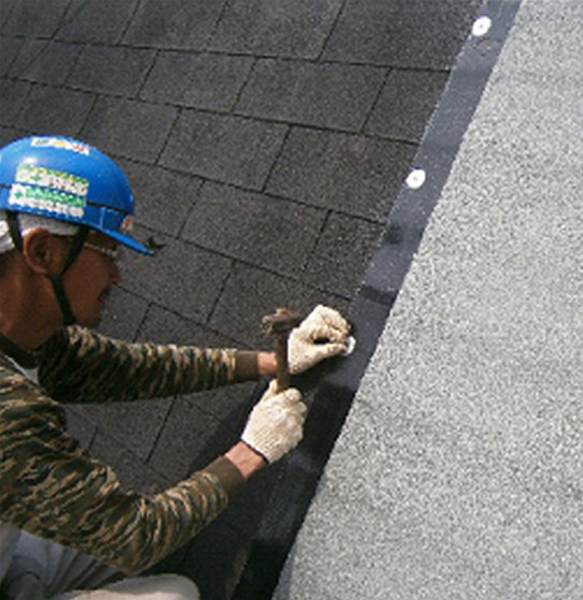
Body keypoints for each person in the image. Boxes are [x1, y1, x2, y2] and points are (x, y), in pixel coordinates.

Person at [0, 136, 352, 599]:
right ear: (42, 252)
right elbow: (136, 535)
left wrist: (275, 361)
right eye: (108, 253)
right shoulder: (7, 412)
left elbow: (126, 369)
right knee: (174, 594)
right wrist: (253, 449)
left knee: (94, 518)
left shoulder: (24, 333)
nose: (117, 275)